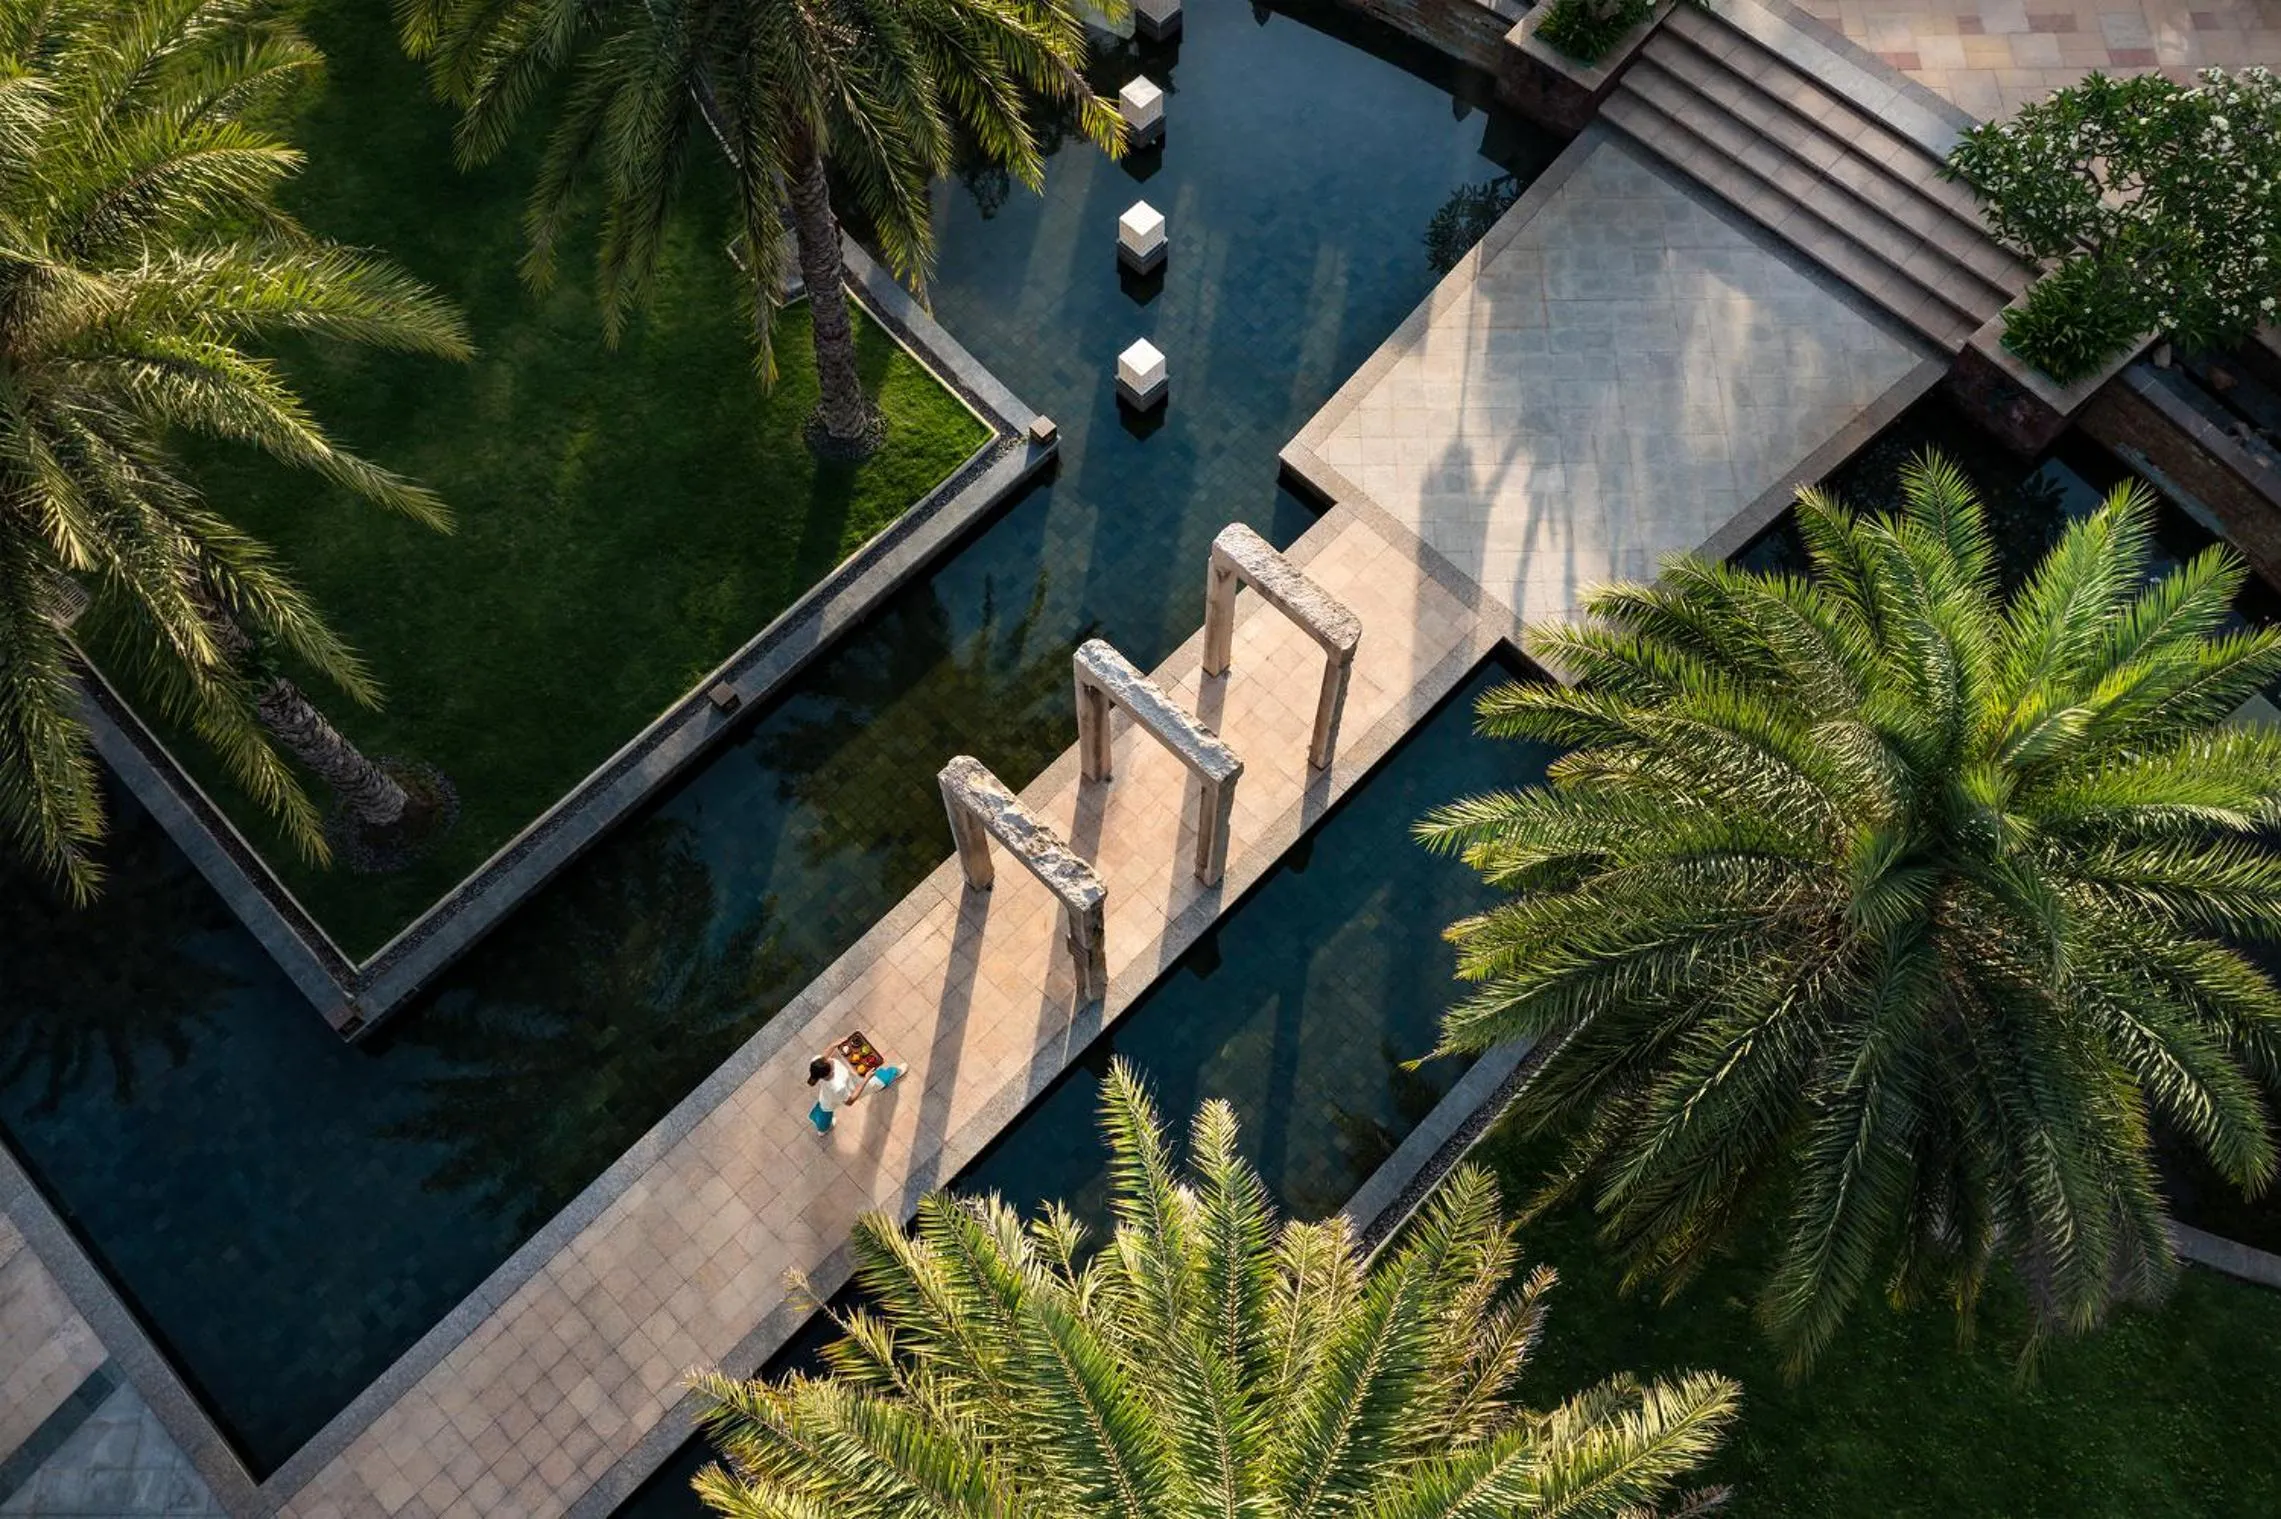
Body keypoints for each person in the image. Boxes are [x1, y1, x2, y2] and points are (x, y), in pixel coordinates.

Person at [807, 1050, 902, 1134]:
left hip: (829, 1096)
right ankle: (892, 1073)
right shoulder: (838, 1086)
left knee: (823, 1112)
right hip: (852, 1090)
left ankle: (822, 1129)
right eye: (828, 1062)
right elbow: (850, 1101)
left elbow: (823, 1057)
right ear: (830, 1072)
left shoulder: (817, 1065)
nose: (829, 1059)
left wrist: (834, 1044)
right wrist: (866, 1079)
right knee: (873, 1084)